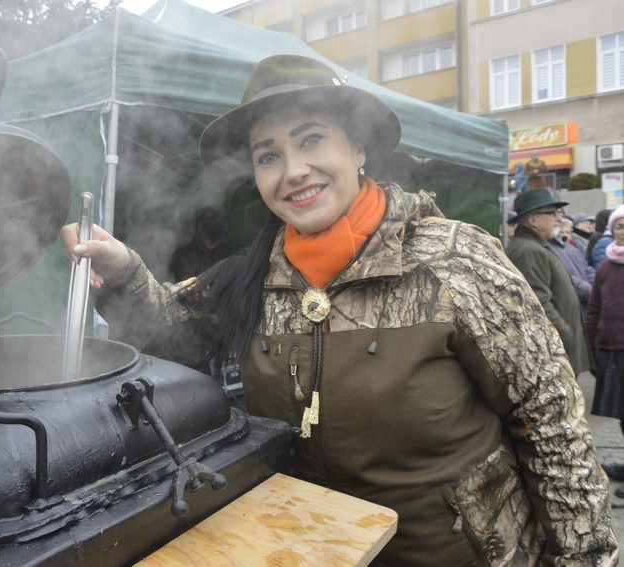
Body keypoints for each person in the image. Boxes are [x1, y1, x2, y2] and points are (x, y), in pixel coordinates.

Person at [62, 55, 617, 565]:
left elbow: (550, 424)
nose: (294, 170)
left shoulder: (456, 260)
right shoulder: (252, 277)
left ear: (358, 149)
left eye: (311, 140)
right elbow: (172, 325)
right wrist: (124, 268)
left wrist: (581, 558)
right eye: (268, 156)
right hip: (310, 550)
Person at [506, 191, 593, 375]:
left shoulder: (534, 246)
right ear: (533, 220)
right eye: (552, 213)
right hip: (556, 354)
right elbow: (538, 303)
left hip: (558, 352)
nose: (559, 219)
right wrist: (565, 336)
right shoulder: (529, 250)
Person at [585, 205, 624, 493]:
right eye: (619, 226)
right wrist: (592, 343)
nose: (622, 230)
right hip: (610, 350)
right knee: (621, 414)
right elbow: (594, 308)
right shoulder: (604, 267)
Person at [548, 215, 595, 318]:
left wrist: (595, 283)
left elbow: (586, 267)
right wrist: (590, 290)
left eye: (568, 232)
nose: (565, 235)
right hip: (572, 307)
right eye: (562, 232)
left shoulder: (572, 248)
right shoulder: (548, 249)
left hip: (584, 305)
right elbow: (566, 276)